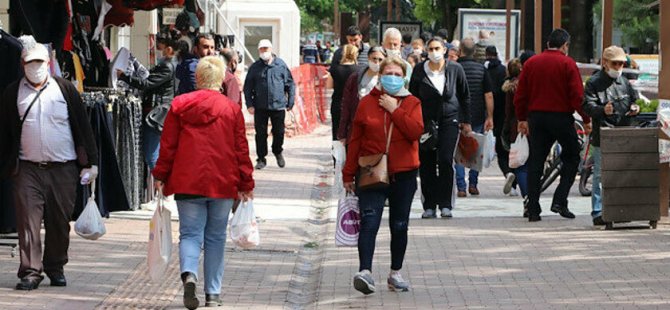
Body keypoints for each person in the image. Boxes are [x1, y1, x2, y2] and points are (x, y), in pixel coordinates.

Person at [153, 56, 254, 309]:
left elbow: (168, 146)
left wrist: (160, 175)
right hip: (222, 182)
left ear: (197, 78)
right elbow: (241, 148)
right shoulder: (230, 109)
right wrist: (246, 182)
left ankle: (189, 274)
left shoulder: (179, 106)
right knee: (215, 237)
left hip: (187, 181)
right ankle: (213, 293)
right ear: (220, 79)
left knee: (189, 233)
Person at [0, 36, 98, 290]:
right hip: (27, 168)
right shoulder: (12, 93)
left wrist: (92, 162)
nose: (36, 67)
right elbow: (5, 133)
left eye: (40, 62)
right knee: (28, 223)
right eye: (30, 63)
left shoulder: (64, 89)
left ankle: (55, 266)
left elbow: (84, 129)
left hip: (63, 167)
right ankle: (31, 271)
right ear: (22, 64)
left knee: (59, 222)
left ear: (48, 62)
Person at [343, 57, 424, 295]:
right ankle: (365, 272)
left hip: (404, 173)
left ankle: (395, 273)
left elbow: (415, 132)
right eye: (388, 73)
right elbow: (355, 140)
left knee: (399, 225)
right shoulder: (366, 103)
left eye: (397, 74)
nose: (392, 77)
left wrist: (395, 110)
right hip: (371, 172)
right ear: (379, 75)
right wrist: (348, 173)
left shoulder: (412, 102)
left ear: (404, 77)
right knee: (369, 223)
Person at [514, 28, 592, 222]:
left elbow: (520, 94)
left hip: (536, 118)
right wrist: (587, 118)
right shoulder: (567, 63)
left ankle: (533, 208)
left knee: (536, 161)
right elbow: (577, 96)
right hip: (561, 118)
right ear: (565, 45)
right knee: (573, 156)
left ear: (548, 43)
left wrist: (522, 118)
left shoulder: (531, 63)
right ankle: (559, 199)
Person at [409, 37, 471, 219]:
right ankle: (429, 205)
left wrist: (466, 121)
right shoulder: (420, 70)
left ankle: (445, 204)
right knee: (426, 161)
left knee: (445, 160)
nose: (434, 52)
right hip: (426, 121)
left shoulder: (455, 69)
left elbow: (464, 95)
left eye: (437, 48)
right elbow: (412, 96)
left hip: (449, 120)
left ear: (445, 49)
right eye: (431, 49)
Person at [582, 45, 639, 226]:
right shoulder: (594, 82)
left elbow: (634, 100)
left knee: (621, 173)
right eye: (615, 63)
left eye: (622, 63)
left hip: (622, 132)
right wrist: (602, 110)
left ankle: (619, 208)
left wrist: (635, 108)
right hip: (603, 134)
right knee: (599, 174)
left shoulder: (624, 82)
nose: (619, 67)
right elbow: (587, 106)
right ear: (605, 63)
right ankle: (598, 211)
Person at [117, 34, 178, 169]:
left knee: (151, 155)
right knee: (152, 153)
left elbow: (147, 83)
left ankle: (161, 183)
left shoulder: (167, 66)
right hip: (157, 111)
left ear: (168, 49)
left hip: (156, 114)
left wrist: (123, 77)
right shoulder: (169, 65)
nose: (157, 50)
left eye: (159, 47)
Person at [244, 39, 295, 170]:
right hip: (260, 107)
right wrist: (249, 104)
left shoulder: (281, 65)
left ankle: (277, 151)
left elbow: (290, 84)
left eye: (266, 49)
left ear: (271, 49)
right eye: (261, 49)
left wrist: (290, 101)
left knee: (279, 132)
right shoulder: (255, 67)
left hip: (278, 106)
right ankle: (261, 158)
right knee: (260, 133)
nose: (264, 51)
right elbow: (248, 87)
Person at [455, 37, 494, 197]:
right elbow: (489, 95)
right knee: (475, 149)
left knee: (459, 151)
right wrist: (489, 116)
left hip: (457, 115)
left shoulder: (454, 68)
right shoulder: (481, 69)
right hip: (477, 115)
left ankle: (461, 187)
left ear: (460, 51)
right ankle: (473, 183)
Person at [338, 46, 387, 145]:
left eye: (380, 59)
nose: (377, 62)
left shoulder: (387, 80)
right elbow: (346, 105)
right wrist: (342, 132)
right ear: (368, 58)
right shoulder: (355, 78)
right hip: (356, 124)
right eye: (374, 59)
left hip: (377, 127)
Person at [484, 46, 516, 196]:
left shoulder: (486, 71)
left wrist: (489, 116)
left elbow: (488, 95)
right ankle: (516, 179)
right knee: (516, 152)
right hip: (515, 122)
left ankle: (507, 173)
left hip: (497, 117)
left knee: (501, 151)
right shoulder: (503, 72)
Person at [501, 59, 529, 212]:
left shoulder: (510, 88)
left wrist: (505, 129)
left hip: (515, 128)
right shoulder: (530, 85)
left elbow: (508, 112)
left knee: (520, 164)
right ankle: (532, 196)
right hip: (532, 127)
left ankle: (526, 197)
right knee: (532, 164)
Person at [328, 44, 359, 141]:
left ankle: (337, 154)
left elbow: (329, 86)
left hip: (337, 102)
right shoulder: (358, 70)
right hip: (353, 105)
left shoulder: (334, 69)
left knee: (336, 130)